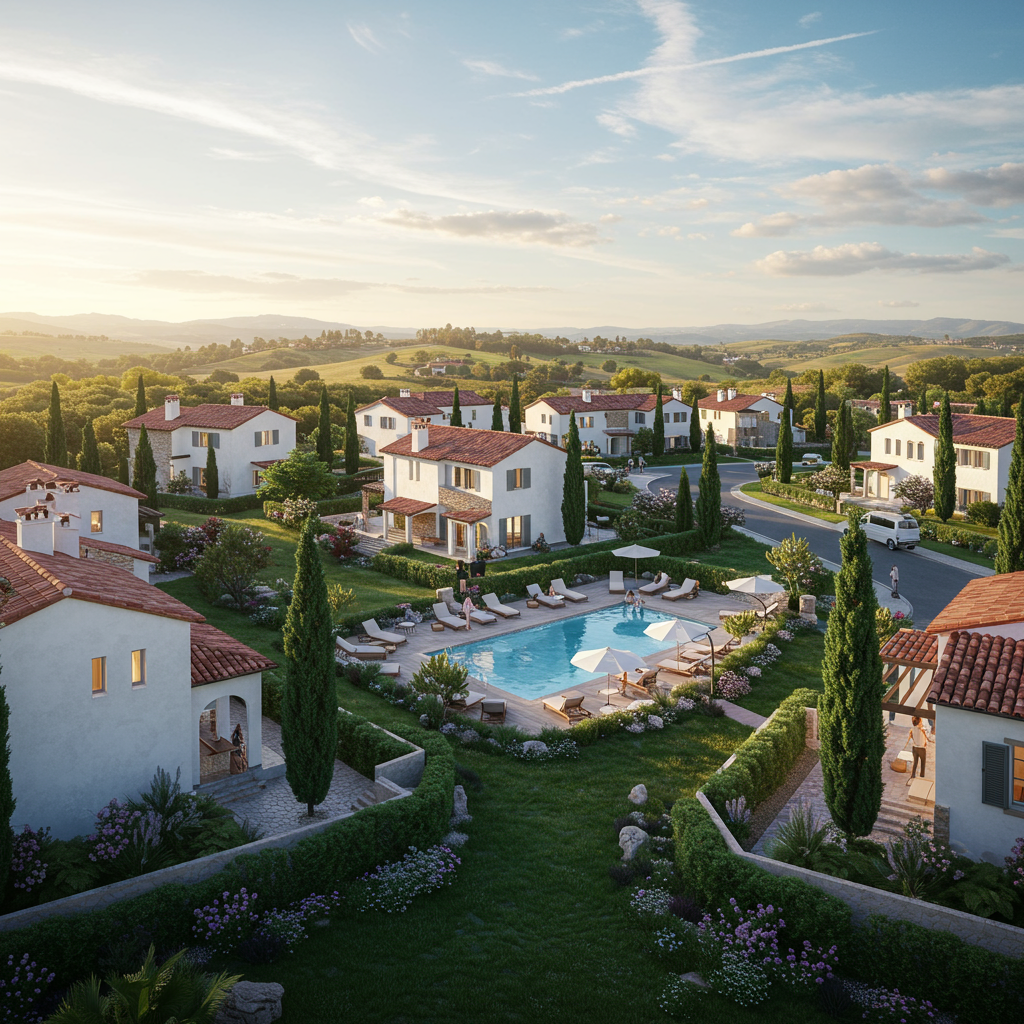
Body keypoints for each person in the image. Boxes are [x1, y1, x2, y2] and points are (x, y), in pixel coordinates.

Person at [908, 715, 928, 780]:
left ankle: (913, 774)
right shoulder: (922, 729)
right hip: (921, 748)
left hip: (915, 747)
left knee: (915, 762)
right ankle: (922, 775)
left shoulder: (912, 729)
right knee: (923, 762)